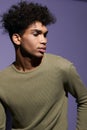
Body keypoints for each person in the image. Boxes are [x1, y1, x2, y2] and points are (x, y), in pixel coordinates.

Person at [0, 1, 87, 130]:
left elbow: (84, 99)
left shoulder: (61, 67)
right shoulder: (2, 81)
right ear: (17, 39)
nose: (44, 40)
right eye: (36, 34)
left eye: (45, 34)